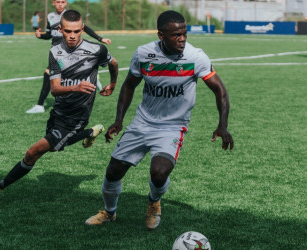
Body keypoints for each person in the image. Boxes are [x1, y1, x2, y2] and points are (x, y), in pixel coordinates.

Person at [85, 10, 234, 230]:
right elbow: (129, 86)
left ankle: (154, 202)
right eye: (176, 35)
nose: (182, 39)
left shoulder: (196, 57)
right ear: (161, 35)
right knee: (113, 171)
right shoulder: (144, 54)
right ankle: (109, 212)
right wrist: (119, 120)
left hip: (172, 127)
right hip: (142, 123)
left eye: (184, 33)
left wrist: (223, 125)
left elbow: (220, 90)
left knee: (159, 171)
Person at [0, 10, 119, 200]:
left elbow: (113, 62)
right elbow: (55, 89)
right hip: (58, 111)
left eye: (77, 31)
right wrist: (77, 86)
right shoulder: (55, 51)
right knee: (53, 147)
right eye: (68, 31)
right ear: (60, 29)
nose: (72, 35)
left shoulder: (96, 50)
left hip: (77, 114)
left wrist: (113, 83)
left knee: (33, 152)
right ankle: (90, 132)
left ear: (82, 29)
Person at [26, 0, 112, 114]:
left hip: (69, 51)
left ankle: (40, 105)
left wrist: (100, 39)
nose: (60, 4)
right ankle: (92, 79)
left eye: (62, 2)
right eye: (58, 2)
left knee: (49, 74)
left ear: (66, 3)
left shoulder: (70, 16)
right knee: (60, 78)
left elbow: (85, 28)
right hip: (56, 52)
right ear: (53, 3)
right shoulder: (50, 16)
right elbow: (49, 34)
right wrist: (40, 36)